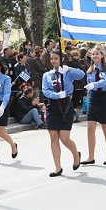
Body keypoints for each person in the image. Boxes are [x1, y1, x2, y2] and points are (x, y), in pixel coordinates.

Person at [42, 49, 85, 177]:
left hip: (66, 106)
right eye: (52, 59)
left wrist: (69, 69)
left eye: (56, 58)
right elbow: (45, 90)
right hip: (53, 107)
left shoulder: (67, 73)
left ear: (61, 59)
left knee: (65, 138)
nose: (53, 61)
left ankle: (76, 155)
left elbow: (81, 74)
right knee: (54, 138)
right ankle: (57, 167)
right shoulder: (47, 75)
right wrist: (56, 95)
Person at [81, 45, 106, 166]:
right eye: (93, 54)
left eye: (97, 53)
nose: (94, 56)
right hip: (93, 100)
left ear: (102, 55)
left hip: (104, 99)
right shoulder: (90, 70)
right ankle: (91, 156)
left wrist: (94, 85)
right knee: (90, 128)